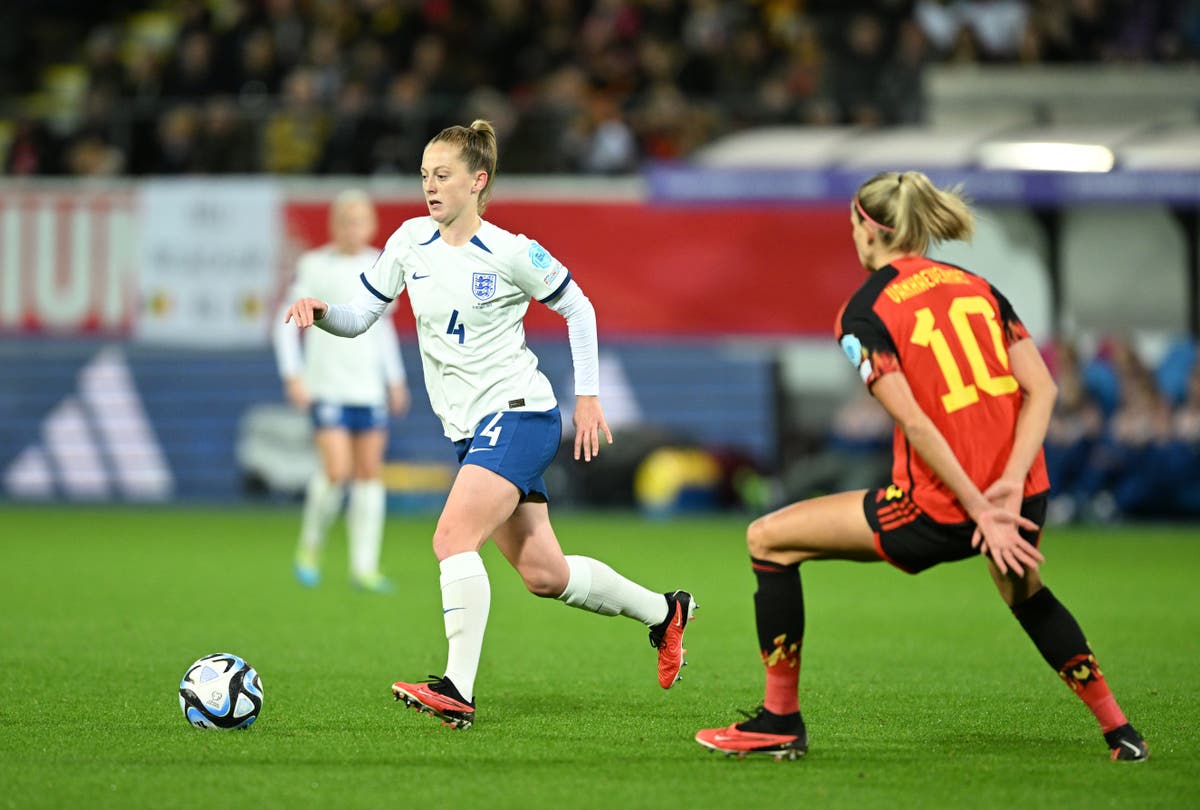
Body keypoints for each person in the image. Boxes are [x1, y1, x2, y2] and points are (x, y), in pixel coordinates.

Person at [694, 171, 1148, 762]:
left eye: (853, 225)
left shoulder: (864, 312)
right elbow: (1042, 390)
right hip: (1020, 494)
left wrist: (979, 506)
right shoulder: (979, 287)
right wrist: (1009, 489)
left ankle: (779, 720)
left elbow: (916, 424)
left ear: (871, 229)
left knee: (768, 538)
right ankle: (1121, 732)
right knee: (1027, 593)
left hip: (940, 504)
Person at [284, 120, 695, 730]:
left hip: (521, 415)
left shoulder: (508, 250)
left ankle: (457, 689)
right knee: (544, 574)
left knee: (451, 538)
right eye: (424, 175)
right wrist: (322, 314)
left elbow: (577, 306)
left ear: (478, 182)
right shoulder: (407, 242)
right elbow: (360, 316)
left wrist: (587, 396)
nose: (429, 186)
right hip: (472, 432)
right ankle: (665, 612)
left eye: (442, 175)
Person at [273, 189, 410, 593]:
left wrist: (395, 379)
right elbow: (284, 321)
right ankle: (310, 546)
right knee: (337, 472)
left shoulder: (379, 265)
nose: (353, 228)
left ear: (370, 225)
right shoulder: (313, 265)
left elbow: (382, 329)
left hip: (368, 387)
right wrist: (293, 375)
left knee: (369, 474)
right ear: (334, 225)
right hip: (327, 384)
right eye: (345, 220)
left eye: (360, 220)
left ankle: (364, 567)